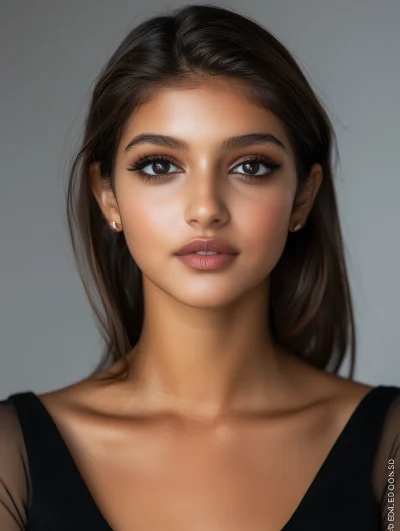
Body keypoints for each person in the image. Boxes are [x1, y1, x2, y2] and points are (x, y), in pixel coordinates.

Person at [0, 4, 399, 530]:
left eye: (250, 166)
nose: (206, 207)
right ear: (108, 197)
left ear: (303, 197)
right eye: (160, 166)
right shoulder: (13, 453)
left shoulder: (390, 447)